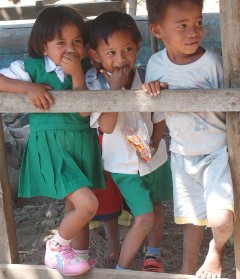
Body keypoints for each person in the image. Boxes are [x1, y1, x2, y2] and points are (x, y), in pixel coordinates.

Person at [0, 6, 106, 276]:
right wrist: (27, 87)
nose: (70, 49)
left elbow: (84, 111)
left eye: (77, 42)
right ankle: (57, 248)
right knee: (87, 205)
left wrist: (77, 76)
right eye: (61, 43)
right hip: (51, 148)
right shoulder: (31, 69)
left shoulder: (89, 70)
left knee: (77, 209)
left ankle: (77, 258)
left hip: (81, 144)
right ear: (44, 47)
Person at [143, 0, 234, 278]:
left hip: (217, 153)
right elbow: (154, 109)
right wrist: (153, 89)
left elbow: (229, 108)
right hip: (182, 155)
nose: (193, 31)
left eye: (198, 22)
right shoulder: (155, 64)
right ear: (157, 30)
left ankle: (216, 251)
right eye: (182, 25)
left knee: (220, 220)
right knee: (192, 221)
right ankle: (186, 271)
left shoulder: (212, 64)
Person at [83, 11, 173, 272]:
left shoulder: (146, 77)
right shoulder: (96, 82)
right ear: (95, 55)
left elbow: (159, 118)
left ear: (138, 48)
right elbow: (107, 127)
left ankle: (152, 254)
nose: (121, 59)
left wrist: (155, 143)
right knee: (144, 217)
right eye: (111, 53)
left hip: (154, 159)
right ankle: (122, 270)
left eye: (127, 50)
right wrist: (115, 90)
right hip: (123, 166)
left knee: (155, 206)